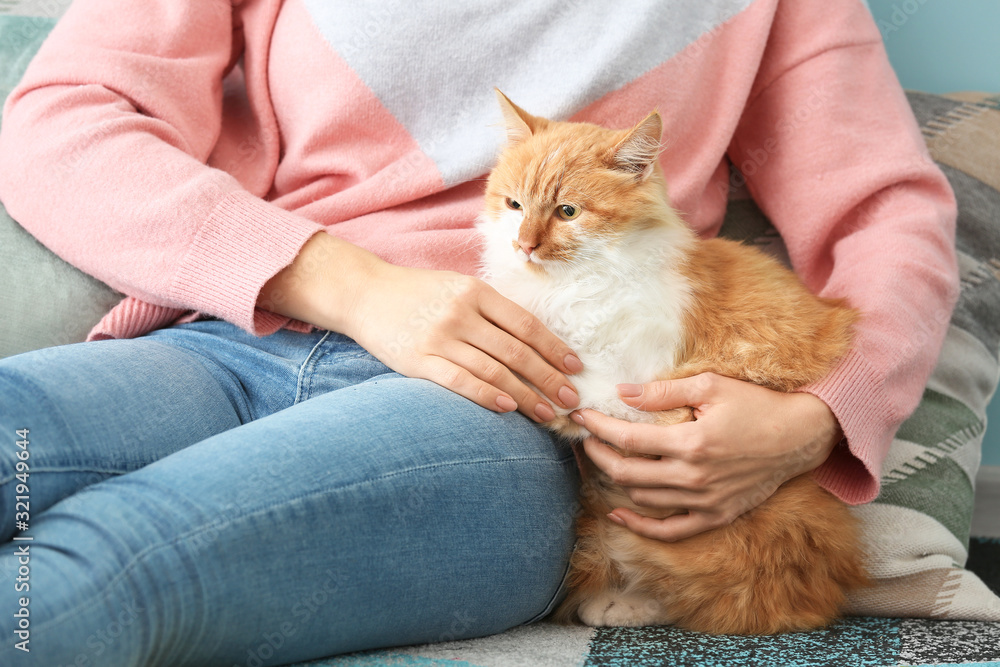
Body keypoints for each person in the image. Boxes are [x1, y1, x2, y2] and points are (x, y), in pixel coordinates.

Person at [0, 1, 957, 664]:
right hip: (234, 337)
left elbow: (887, 211)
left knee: (112, 561)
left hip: (516, 410)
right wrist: (356, 286)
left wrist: (819, 416)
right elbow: (57, 126)